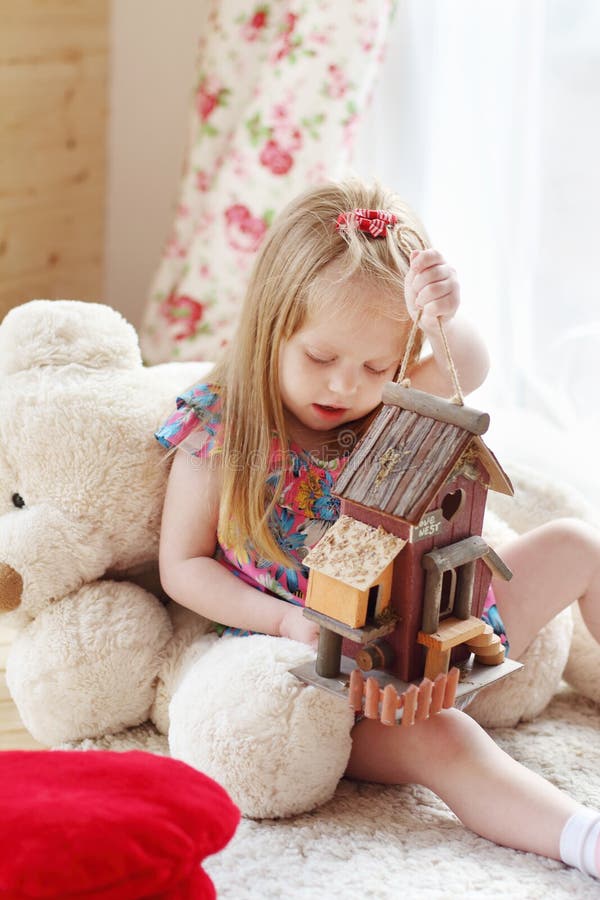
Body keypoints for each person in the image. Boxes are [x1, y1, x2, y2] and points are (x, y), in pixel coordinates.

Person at [156, 179, 600, 879]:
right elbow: (182, 566)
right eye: (321, 359)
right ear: (273, 328)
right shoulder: (224, 422)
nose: (343, 387)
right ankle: (581, 836)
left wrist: (442, 318)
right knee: (443, 740)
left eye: (374, 366)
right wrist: (286, 624)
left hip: (448, 633)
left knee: (580, 544)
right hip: (341, 685)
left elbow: (469, 367)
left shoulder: (386, 406)